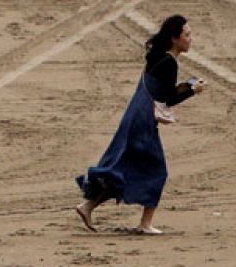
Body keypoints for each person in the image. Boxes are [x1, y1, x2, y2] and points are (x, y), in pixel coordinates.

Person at [74, 15, 204, 235]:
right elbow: (167, 99)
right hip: (143, 119)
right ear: (174, 39)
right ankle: (145, 224)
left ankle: (87, 206)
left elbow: (160, 92)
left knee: (123, 169)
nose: (191, 39)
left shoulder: (158, 56)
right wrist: (192, 90)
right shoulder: (169, 62)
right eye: (187, 35)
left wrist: (187, 88)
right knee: (156, 171)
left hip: (135, 116)